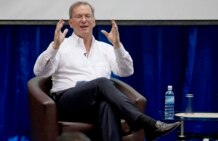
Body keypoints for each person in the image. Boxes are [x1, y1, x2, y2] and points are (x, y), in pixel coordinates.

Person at [33, 1, 180, 141]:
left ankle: (145, 125)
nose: (84, 20)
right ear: (70, 23)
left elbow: (126, 71)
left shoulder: (106, 48)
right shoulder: (61, 46)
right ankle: (146, 123)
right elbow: (39, 72)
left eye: (88, 16)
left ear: (94, 21)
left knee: (107, 106)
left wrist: (117, 46)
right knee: (102, 83)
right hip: (67, 101)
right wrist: (54, 47)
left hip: (95, 105)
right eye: (79, 16)